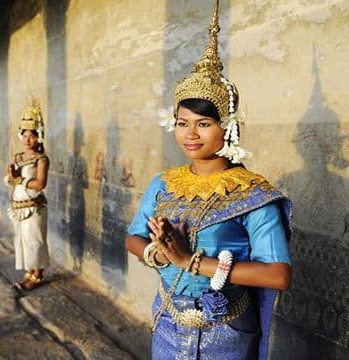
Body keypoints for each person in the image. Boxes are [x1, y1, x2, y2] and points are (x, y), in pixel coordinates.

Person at [125, 2, 292, 359]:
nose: (190, 134)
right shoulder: (164, 184)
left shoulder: (252, 194)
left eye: (204, 124)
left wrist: (189, 261)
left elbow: (278, 275)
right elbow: (133, 237)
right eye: (182, 123)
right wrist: (158, 253)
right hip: (169, 318)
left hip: (225, 328)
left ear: (228, 127)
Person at [5, 100, 50, 291]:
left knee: (35, 241)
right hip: (18, 207)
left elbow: (40, 184)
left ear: (39, 137)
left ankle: (37, 276)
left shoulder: (42, 159)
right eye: (24, 135)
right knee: (23, 241)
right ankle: (29, 273)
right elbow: (10, 180)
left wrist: (19, 179)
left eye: (32, 136)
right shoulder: (18, 157)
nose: (27, 140)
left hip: (35, 207)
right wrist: (10, 177)